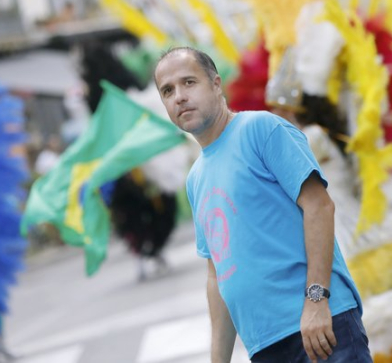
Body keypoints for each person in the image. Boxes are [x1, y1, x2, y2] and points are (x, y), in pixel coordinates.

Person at [153, 47, 369, 363]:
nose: (180, 97)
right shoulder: (195, 179)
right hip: (264, 346)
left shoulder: (262, 129)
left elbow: (320, 207)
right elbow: (217, 276)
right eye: (168, 90)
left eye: (189, 82)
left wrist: (316, 300)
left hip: (319, 326)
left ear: (216, 84)